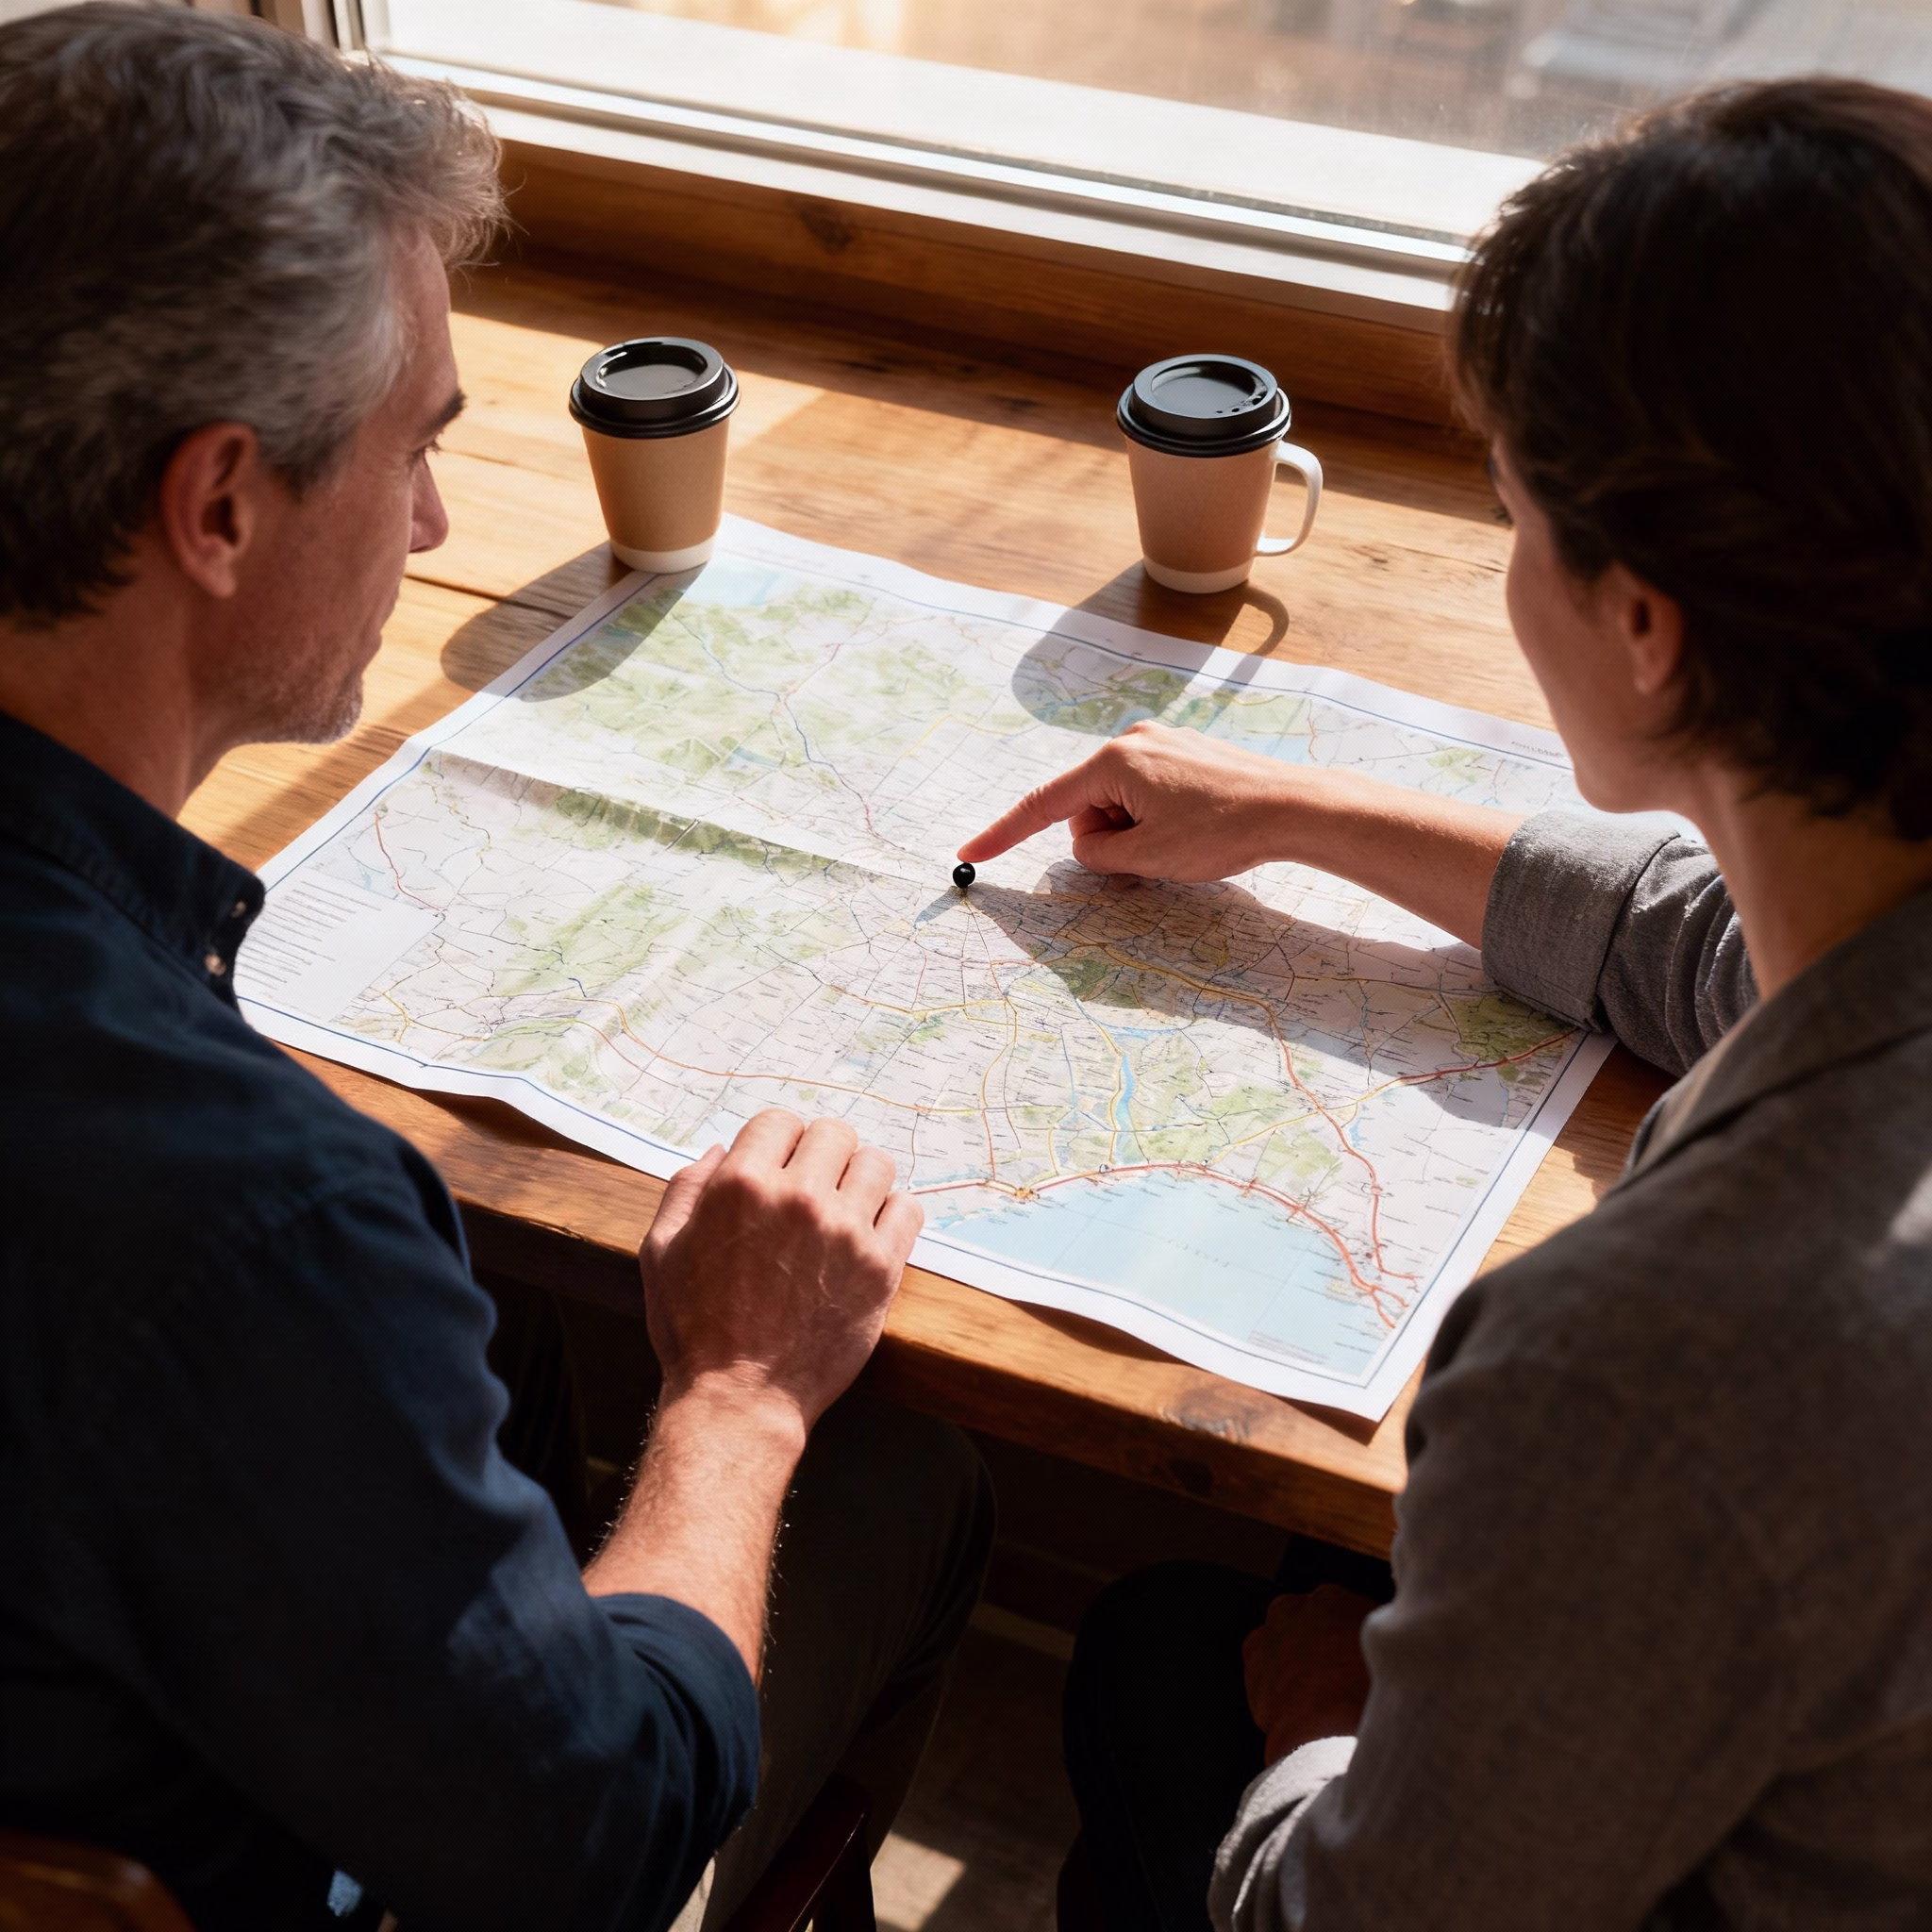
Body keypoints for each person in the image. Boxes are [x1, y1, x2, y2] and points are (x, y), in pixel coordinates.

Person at [0, 9, 991, 1931]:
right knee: (907, 1481)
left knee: (515, 1345)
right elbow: (586, 1844)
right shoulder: (251, 1216)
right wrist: (737, 1398)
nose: (439, 522)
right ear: (217, 505)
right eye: (416, 449)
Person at [962, 76, 1932, 1931]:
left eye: (1510, 515)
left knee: (1172, 1658)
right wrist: (1293, 813)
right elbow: (1701, 939)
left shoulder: (1632, 1370)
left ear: (1644, 623)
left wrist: (1328, 1729)